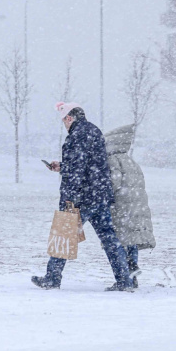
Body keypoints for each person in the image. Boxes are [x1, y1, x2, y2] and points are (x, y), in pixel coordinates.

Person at [31, 102, 135, 292]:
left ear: (69, 118)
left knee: (64, 233)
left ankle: (52, 278)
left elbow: (78, 170)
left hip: (83, 196)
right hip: (100, 195)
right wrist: (62, 167)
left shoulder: (76, 136)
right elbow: (86, 165)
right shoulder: (93, 131)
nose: (64, 124)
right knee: (109, 238)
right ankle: (124, 280)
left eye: (64, 120)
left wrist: (69, 199)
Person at [104, 124, 156, 288]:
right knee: (131, 240)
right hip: (135, 207)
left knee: (119, 241)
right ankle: (132, 274)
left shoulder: (113, 159)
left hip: (122, 207)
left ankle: (126, 275)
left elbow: (114, 182)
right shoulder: (131, 161)